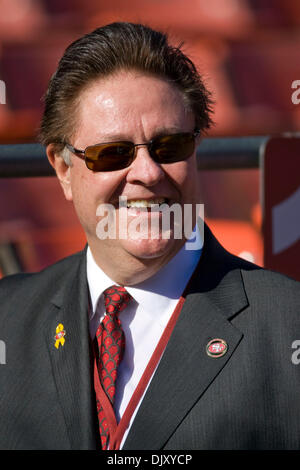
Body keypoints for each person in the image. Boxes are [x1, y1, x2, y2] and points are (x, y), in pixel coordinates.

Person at [0, 22, 300, 451]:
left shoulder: (288, 324)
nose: (147, 173)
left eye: (170, 146)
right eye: (113, 154)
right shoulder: (7, 320)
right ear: (63, 169)